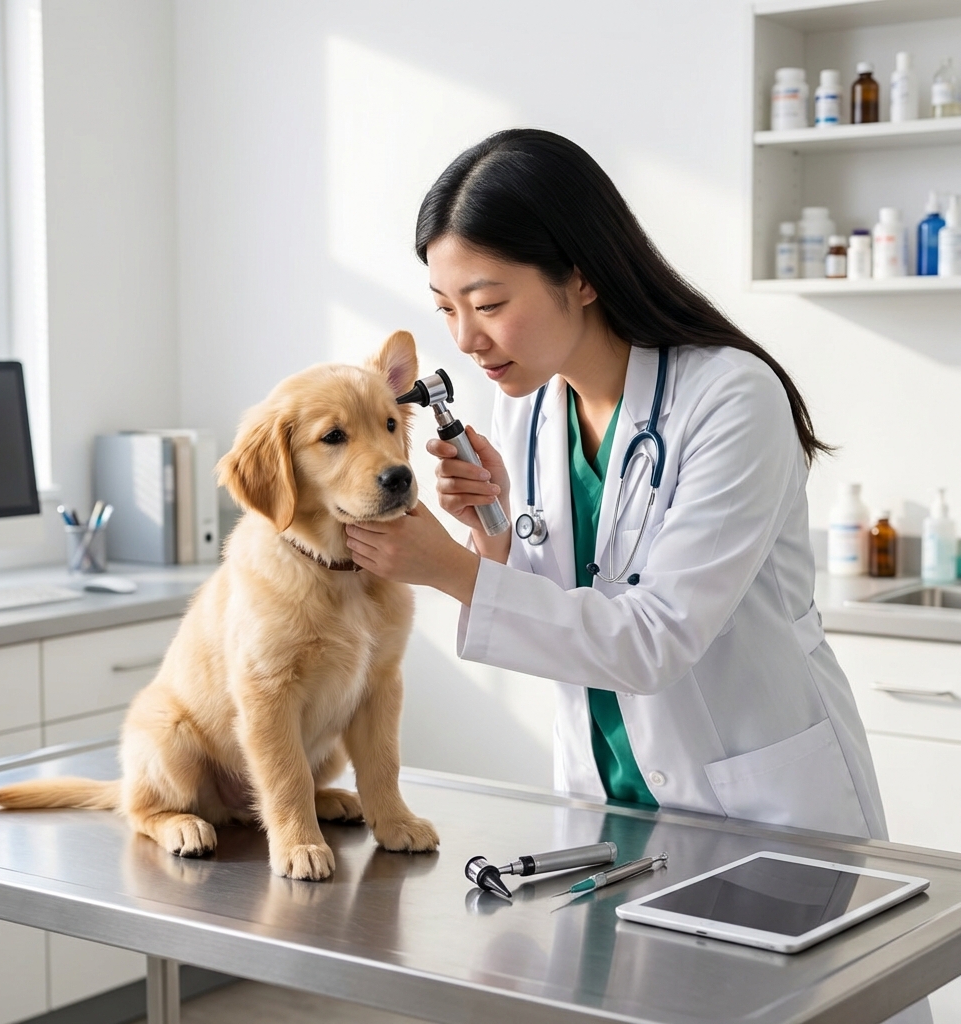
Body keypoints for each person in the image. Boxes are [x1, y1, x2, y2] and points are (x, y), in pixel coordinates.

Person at [345, 129, 929, 1023]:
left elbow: (653, 638)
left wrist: (455, 572)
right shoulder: (538, 408)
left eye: (488, 302)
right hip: (613, 815)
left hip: (757, 811)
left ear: (581, 275)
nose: (464, 339)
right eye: (445, 307)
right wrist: (496, 531)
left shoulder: (730, 397)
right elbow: (566, 604)